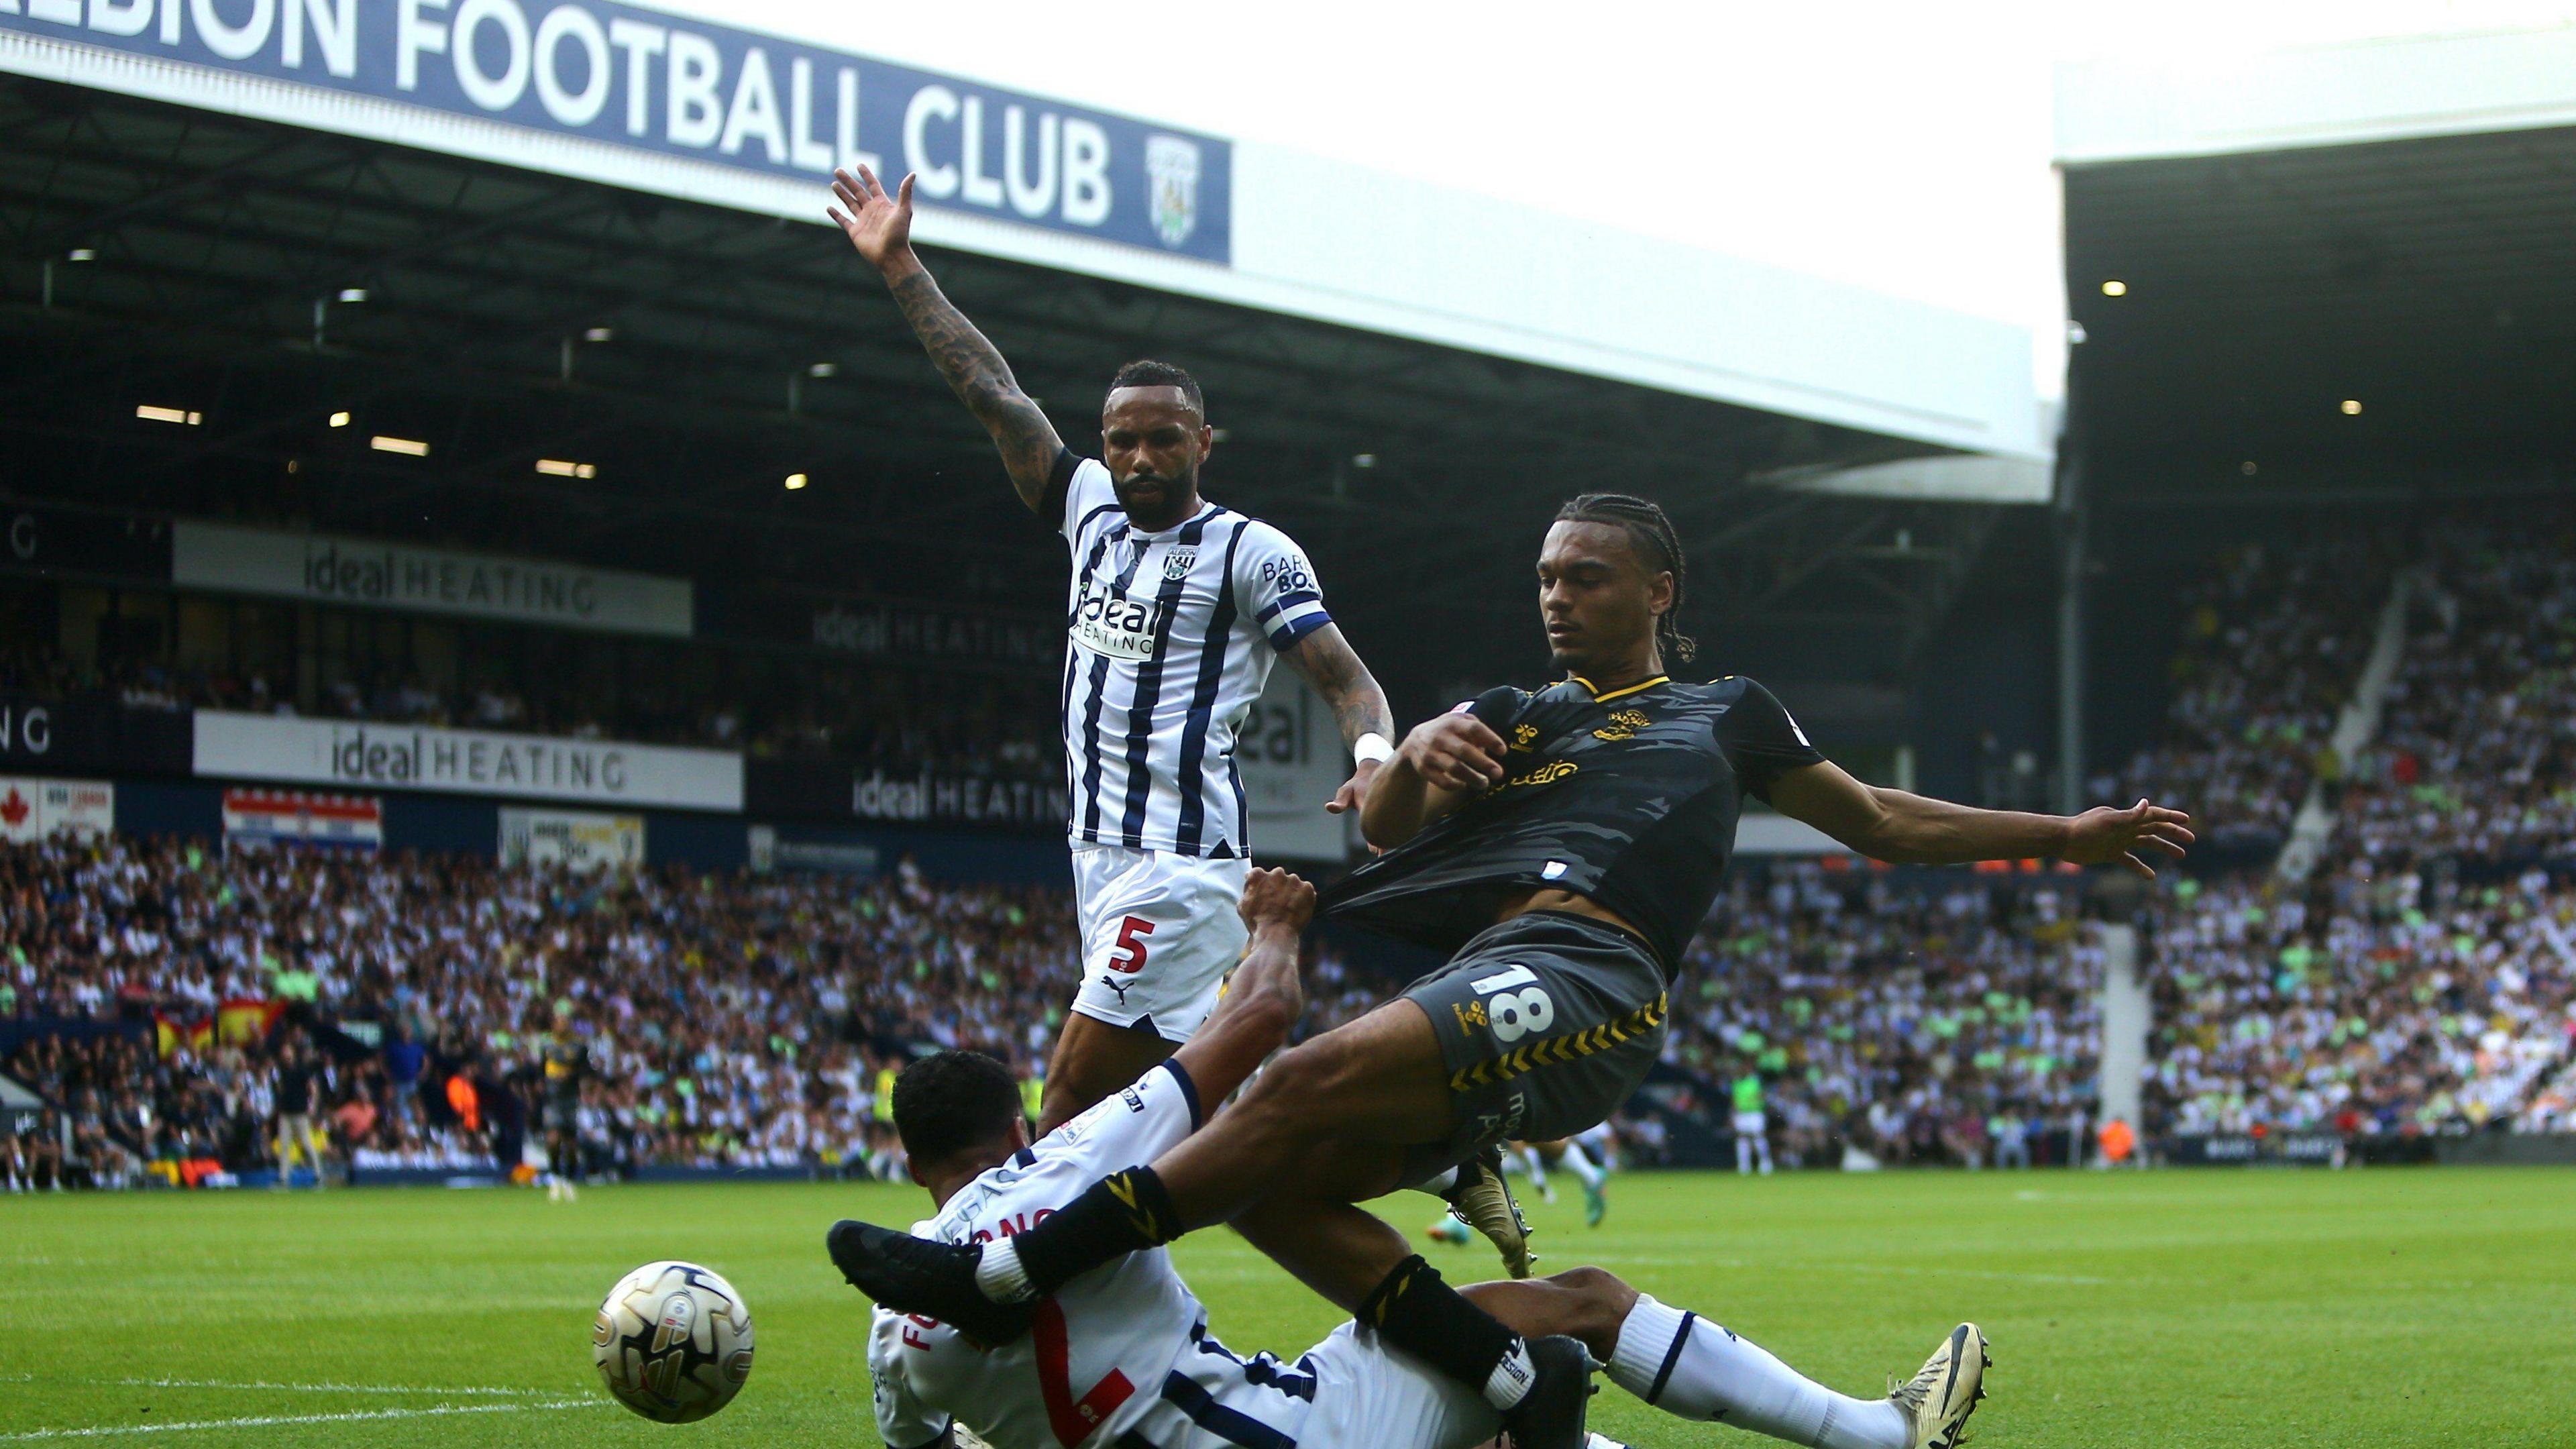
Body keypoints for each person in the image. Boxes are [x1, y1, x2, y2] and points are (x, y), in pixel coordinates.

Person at [834, 491, 2188, 1446]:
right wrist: (1417, 762)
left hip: (1592, 983)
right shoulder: (1507, 714)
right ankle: (1514, 1374)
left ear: (1658, 591)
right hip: (1497, 980)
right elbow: (1386, 823)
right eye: (1545, 576)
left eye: (1584, 576)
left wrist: (2068, 834)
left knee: (1282, 1096)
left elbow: (1882, 822)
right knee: (1259, 1175)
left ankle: (1003, 1275)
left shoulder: (1725, 714)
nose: (1556, 596)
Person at [840, 869, 1988, 1449]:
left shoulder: (894, 1335)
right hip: (1284, 1433)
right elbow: (1258, 1023)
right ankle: (1875, 1434)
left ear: (910, 1166)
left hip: (1253, 1407)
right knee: (1575, 1306)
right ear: (1021, 1130)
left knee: (1491, 1378)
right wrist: (1277, 924)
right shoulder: (1068, 1166)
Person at [828, 165, 1397, 1134]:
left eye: (1163, 440)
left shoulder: (1249, 553)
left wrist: (1375, 759)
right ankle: (1421, 1149)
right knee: (1192, 1118)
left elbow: (1347, 678)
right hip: (1097, 857)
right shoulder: (1088, 509)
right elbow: (995, 394)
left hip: (1180, 862)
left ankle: (1002, 1279)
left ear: (1204, 442)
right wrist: (901, 269)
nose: (1138, 459)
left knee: (1070, 1107)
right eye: (1121, 440)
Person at [1732, 1065, 1774, 1177]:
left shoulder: (1755, 1082)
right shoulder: (1736, 1083)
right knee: (1742, 1138)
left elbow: (1763, 1094)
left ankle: (1766, 1164)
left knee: (1758, 1137)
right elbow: (1735, 1099)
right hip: (1742, 1114)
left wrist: (1756, 1099)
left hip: (1755, 1112)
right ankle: (1744, 1166)